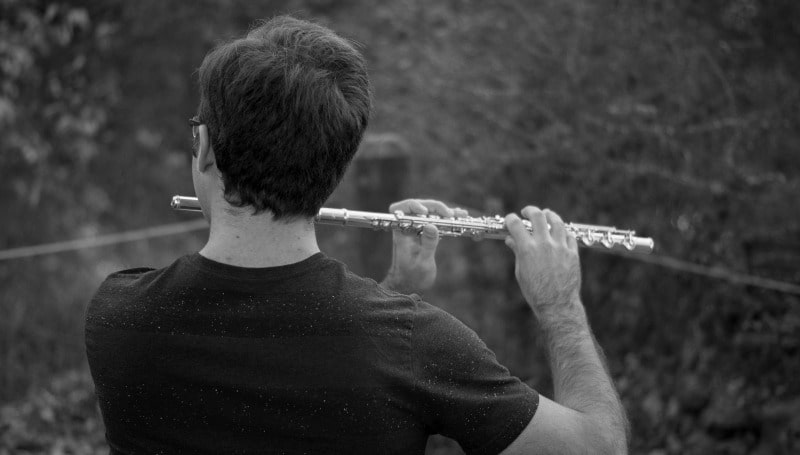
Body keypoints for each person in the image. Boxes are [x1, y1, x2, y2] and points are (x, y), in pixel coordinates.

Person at [85, 15, 628, 455]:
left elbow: (295, 347)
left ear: (204, 149)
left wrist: (397, 293)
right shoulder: (411, 343)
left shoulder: (118, 315)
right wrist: (559, 305)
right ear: (335, 165)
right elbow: (599, 447)